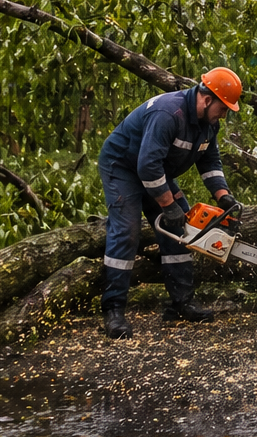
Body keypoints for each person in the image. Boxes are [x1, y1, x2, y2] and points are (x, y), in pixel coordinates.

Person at [98, 67, 245, 338]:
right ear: (207, 99)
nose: (224, 114)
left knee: (181, 230)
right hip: (123, 167)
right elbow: (147, 167)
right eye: (223, 108)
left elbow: (210, 162)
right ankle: (113, 310)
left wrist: (223, 197)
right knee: (127, 230)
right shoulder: (169, 113)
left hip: (155, 171)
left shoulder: (209, 124)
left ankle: (181, 302)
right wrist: (168, 205)